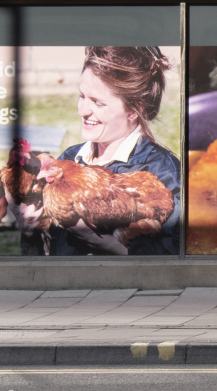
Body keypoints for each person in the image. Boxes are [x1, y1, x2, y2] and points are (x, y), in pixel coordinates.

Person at [33, 46, 185, 256]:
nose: (82, 110)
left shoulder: (164, 172)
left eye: (97, 102)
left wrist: (109, 247)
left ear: (134, 110)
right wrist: (29, 228)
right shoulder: (69, 160)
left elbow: (173, 269)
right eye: (82, 96)